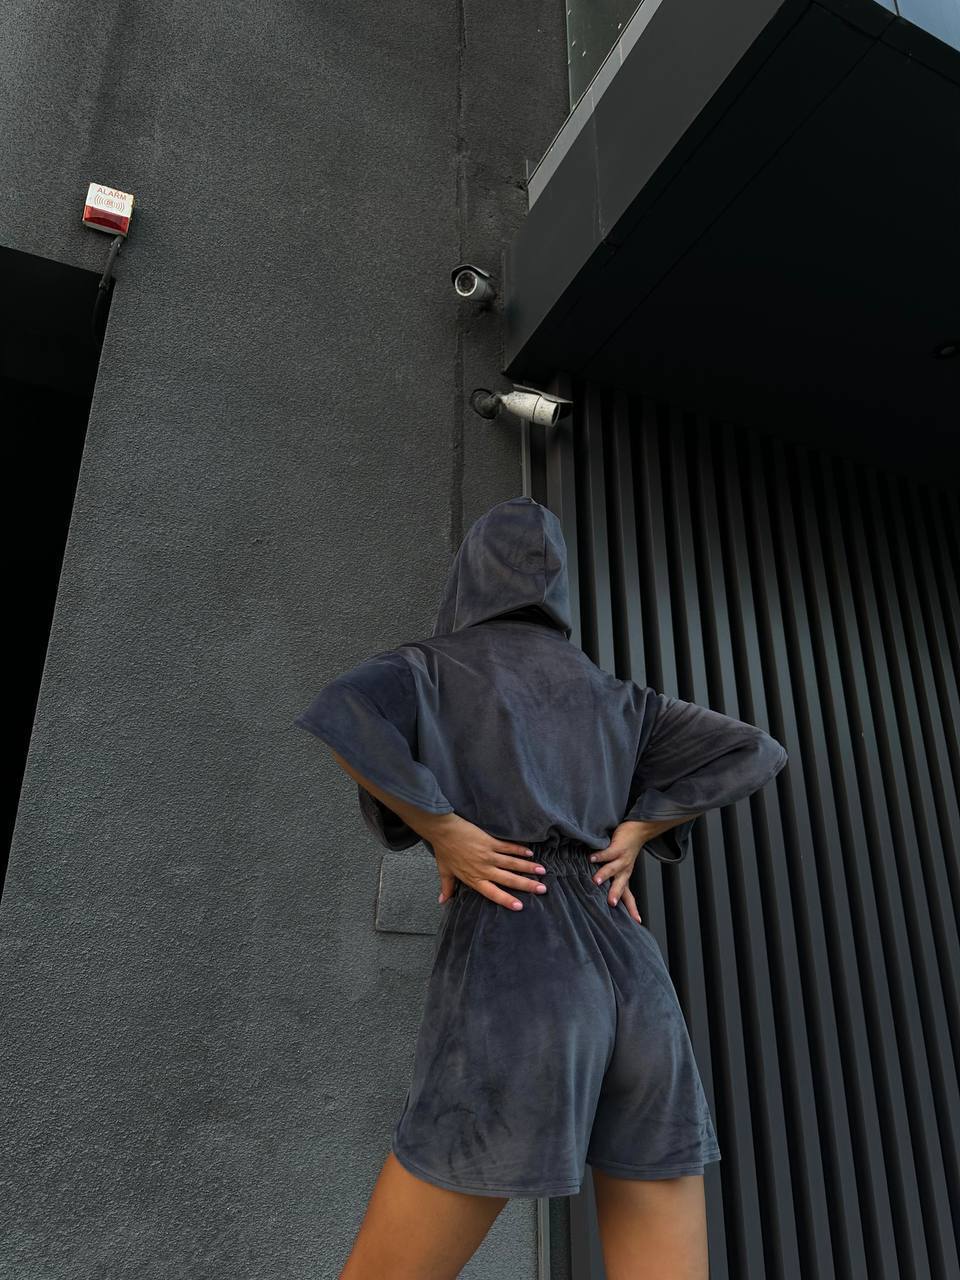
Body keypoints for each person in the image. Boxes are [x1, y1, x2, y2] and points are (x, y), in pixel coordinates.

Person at [294, 495, 788, 1280]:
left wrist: (443, 828)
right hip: (637, 982)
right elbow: (754, 749)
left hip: (520, 964)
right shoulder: (614, 694)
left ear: (469, 575)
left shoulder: (432, 666)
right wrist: (638, 829)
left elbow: (340, 711)